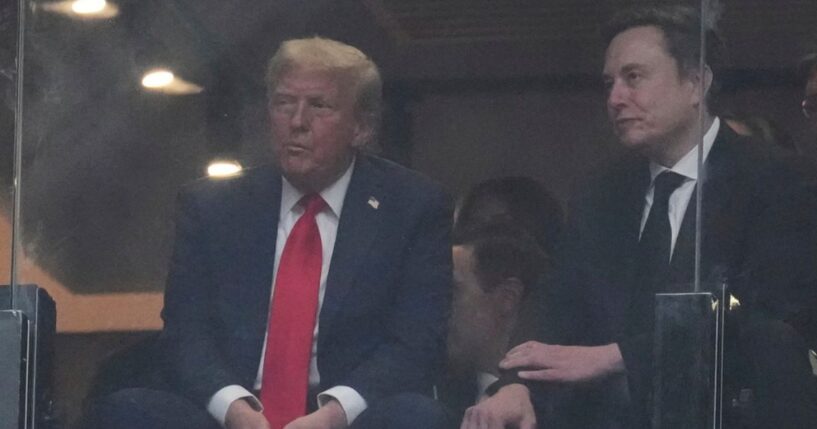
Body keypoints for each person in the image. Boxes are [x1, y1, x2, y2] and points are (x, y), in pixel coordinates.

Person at [462, 5, 817, 429]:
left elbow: (768, 319)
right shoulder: (601, 193)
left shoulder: (774, 181)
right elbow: (559, 303)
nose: (615, 99)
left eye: (634, 78)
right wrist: (515, 386)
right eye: (609, 83)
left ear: (695, 82)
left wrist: (615, 357)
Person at [88, 37, 452, 429]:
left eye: (319, 106)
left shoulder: (411, 206)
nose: (297, 121)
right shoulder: (212, 206)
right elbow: (185, 335)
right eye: (283, 103)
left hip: (342, 415)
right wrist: (235, 409)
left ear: (361, 128)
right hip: (235, 411)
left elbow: (415, 345)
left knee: (417, 417)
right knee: (129, 410)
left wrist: (332, 416)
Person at [441, 221, 547, 422]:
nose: (438, 303)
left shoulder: (556, 405)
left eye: (454, 290)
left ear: (508, 297)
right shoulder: (437, 392)